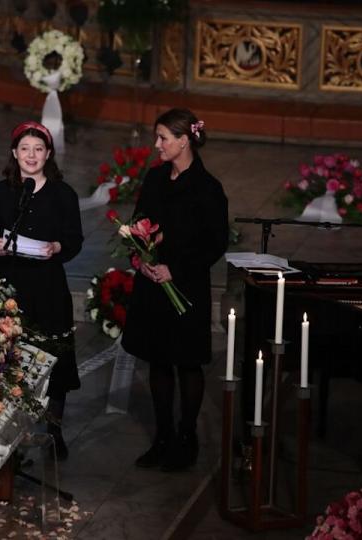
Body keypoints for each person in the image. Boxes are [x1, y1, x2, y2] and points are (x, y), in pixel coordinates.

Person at [121, 109, 229, 472]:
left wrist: (175, 269)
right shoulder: (154, 179)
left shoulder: (208, 189)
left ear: (184, 141)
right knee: (158, 358)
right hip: (153, 282)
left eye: (163, 138)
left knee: (186, 361)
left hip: (185, 286)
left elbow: (215, 244)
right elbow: (139, 223)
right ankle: (162, 435)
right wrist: (143, 257)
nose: (157, 144)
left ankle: (186, 436)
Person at [0, 121, 83, 460]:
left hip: (48, 286)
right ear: (14, 153)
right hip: (9, 283)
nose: (31, 155)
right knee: (9, 357)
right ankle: (6, 429)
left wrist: (56, 247)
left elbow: (74, 240)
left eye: (38, 149)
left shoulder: (63, 194)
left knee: (53, 356)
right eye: (25, 148)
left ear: (48, 154)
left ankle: (54, 430)